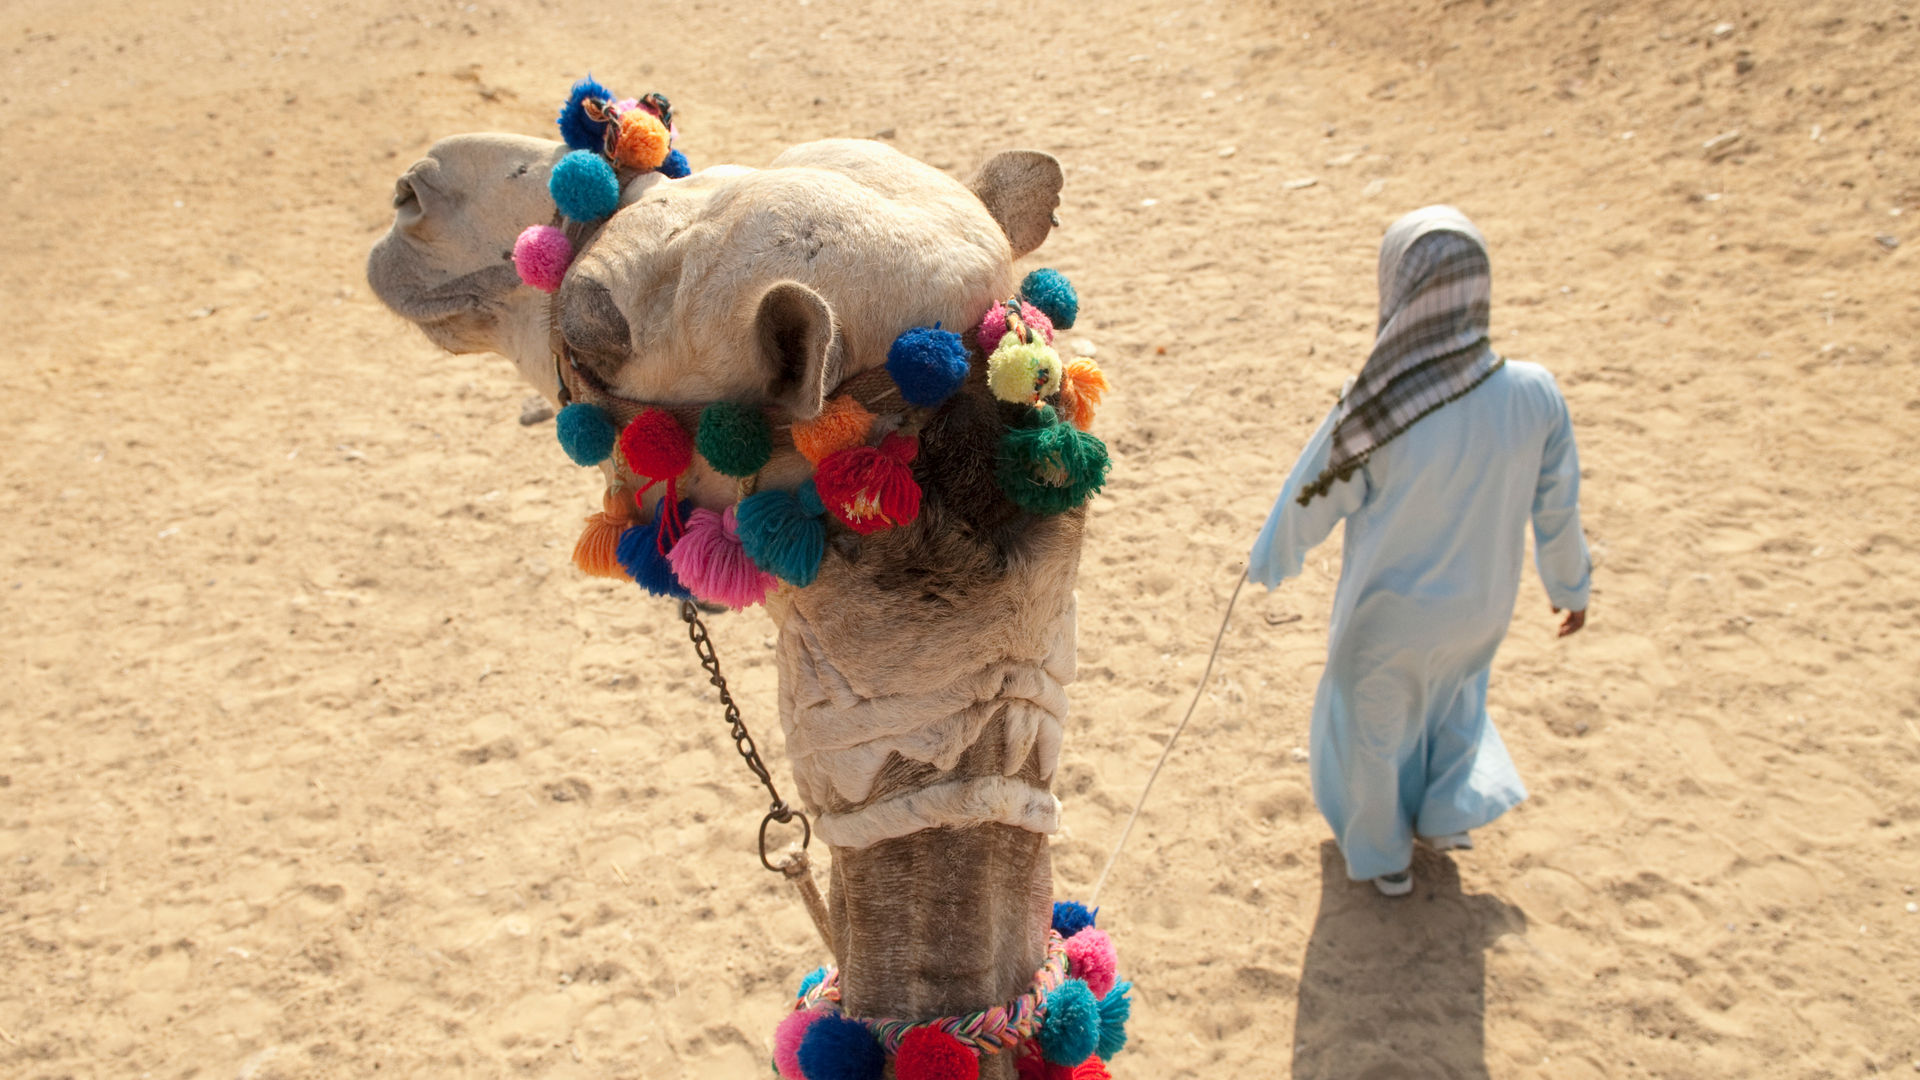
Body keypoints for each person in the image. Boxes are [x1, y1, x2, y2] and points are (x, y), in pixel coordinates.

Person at [1248, 205, 1591, 897]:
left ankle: (1385, 862)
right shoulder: (1536, 392)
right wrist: (1571, 587)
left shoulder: (1380, 406)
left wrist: (1270, 561)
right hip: (1482, 611)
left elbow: (1312, 493)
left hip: (1388, 620)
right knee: (1455, 706)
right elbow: (1558, 507)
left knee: (1369, 734)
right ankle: (1442, 822)